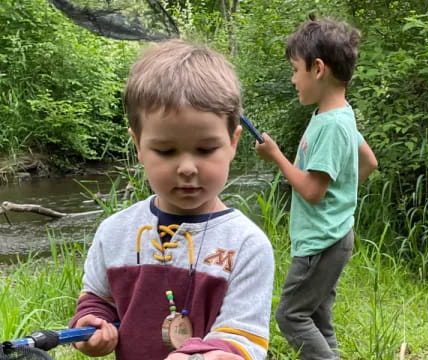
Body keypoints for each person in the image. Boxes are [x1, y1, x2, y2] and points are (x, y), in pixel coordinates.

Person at [69, 39, 275, 360]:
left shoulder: (247, 245)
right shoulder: (114, 233)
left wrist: (207, 355)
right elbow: (97, 300)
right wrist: (90, 325)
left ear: (233, 142)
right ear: (138, 145)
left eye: (206, 149)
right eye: (165, 151)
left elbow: (242, 336)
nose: (187, 168)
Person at [254, 18, 378, 360]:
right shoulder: (340, 115)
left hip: (321, 242)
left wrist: (277, 156)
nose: (293, 79)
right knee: (318, 315)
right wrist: (342, 199)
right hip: (334, 234)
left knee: (291, 315)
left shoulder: (330, 125)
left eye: (295, 70)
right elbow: (368, 162)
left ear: (318, 68)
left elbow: (312, 191)